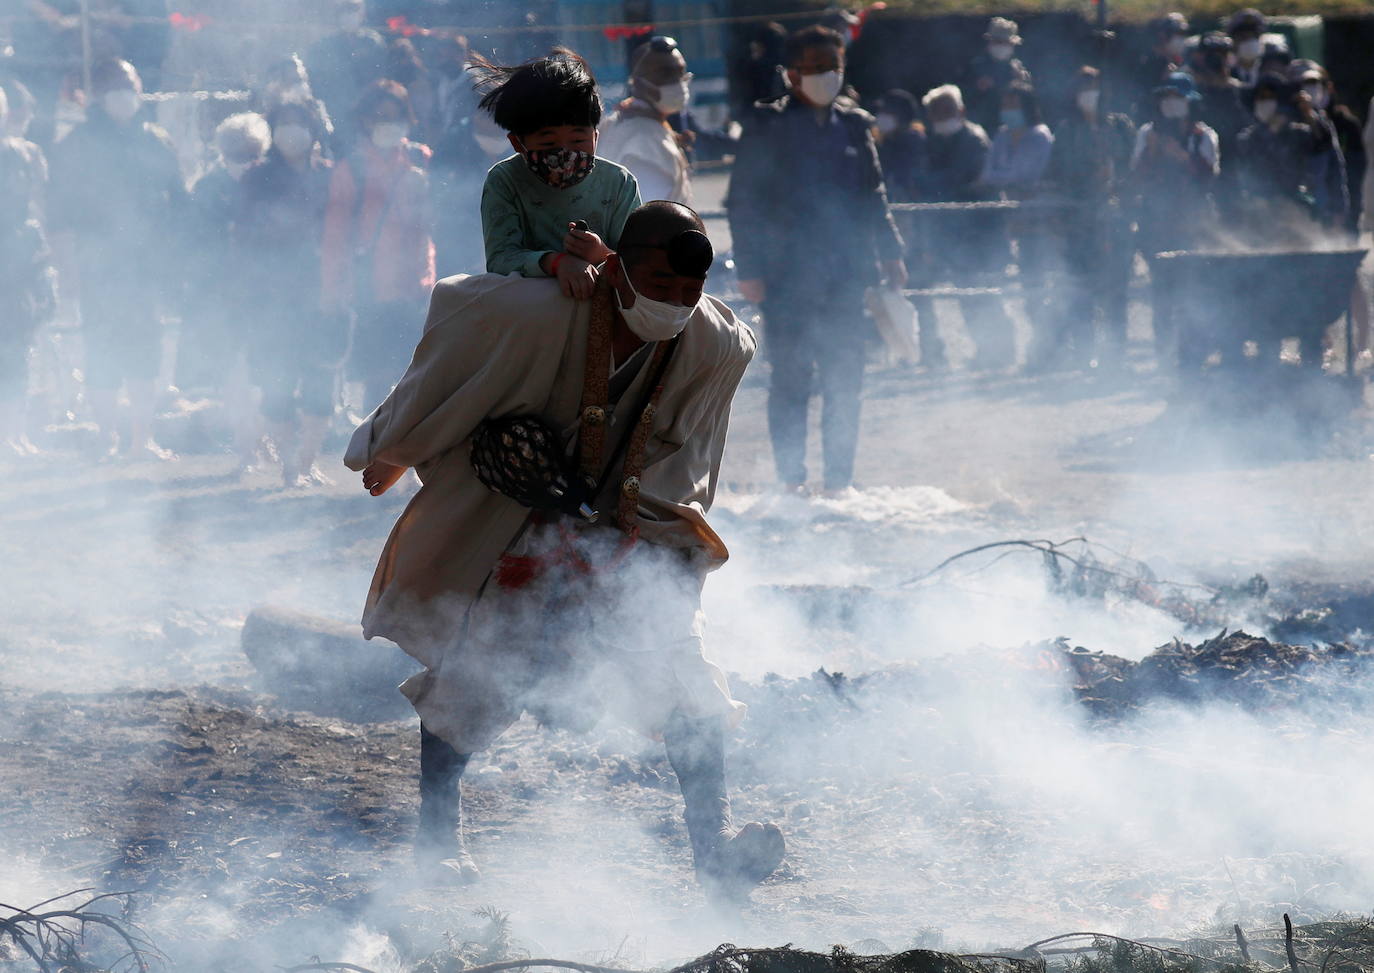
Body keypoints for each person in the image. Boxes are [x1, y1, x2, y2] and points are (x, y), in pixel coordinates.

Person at [343, 200, 784, 900]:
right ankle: (436, 842)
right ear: (615, 267)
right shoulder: (539, 314)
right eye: (658, 284)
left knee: (688, 689)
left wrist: (647, 542)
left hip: (631, 533)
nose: (673, 303)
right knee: (472, 676)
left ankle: (716, 857)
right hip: (519, 521)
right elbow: (452, 337)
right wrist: (394, 446)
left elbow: (691, 452)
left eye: (688, 292)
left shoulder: (715, 345)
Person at [728, 24, 905, 492]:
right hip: (786, 277)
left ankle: (839, 481)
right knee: (791, 381)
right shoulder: (766, 126)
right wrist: (749, 269)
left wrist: (891, 252)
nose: (826, 76)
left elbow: (874, 194)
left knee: (846, 379)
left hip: (846, 274)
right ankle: (791, 482)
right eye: (815, 68)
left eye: (834, 66)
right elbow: (742, 201)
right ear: (791, 74)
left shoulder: (853, 124)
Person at [47, 58, 186, 459]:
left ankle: (142, 439)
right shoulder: (76, 143)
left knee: (146, 350)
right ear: (99, 95)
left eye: (130, 84)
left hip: (146, 266)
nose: (123, 94)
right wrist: (68, 267)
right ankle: (107, 438)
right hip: (98, 265)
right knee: (102, 352)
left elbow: (177, 203)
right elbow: (59, 213)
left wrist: (175, 261)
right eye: (115, 86)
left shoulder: (155, 139)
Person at [471, 48, 641, 300]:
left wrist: (602, 255)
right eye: (549, 144)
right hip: (531, 315)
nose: (565, 154)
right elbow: (501, 259)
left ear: (595, 136)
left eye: (578, 140)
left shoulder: (618, 182)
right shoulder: (505, 180)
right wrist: (557, 263)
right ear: (518, 144)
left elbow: (638, 263)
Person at [240, 98, 343, 486]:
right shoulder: (257, 177)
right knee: (276, 383)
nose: (291, 131)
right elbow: (246, 236)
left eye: (299, 123)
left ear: (314, 130)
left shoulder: (331, 176)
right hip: (272, 297)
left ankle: (306, 461)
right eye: (283, 123)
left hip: (323, 294)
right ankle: (288, 465)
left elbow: (343, 233)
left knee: (321, 383)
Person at [321, 79, 435, 414]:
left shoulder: (421, 161)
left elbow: (431, 227)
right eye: (379, 116)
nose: (387, 123)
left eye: (394, 115)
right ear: (365, 121)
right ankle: (378, 454)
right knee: (377, 377)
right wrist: (332, 294)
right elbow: (335, 237)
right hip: (369, 286)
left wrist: (428, 283)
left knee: (415, 376)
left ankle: (409, 458)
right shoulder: (351, 169)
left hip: (415, 285)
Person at [180, 112, 270, 462]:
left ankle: (260, 436)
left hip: (263, 291)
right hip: (222, 294)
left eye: (252, 154)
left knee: (264, 370)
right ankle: (244, 440)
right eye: (237, 154)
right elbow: (196, 244)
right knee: (234, 372)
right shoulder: (207, 188)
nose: (245, 162)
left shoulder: (266, 185)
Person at [1047, 67, 1136, 371]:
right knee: (1081, 292)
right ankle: (1084, 353)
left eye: (1094, 87)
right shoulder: (1067, 130)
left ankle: (1117, 357)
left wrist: (1114, 176)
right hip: (1080, 222)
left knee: (1116, 292)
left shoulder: (1120, 126)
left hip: (1116, 221)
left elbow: (1132, 169)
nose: (1089, 94)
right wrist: (1087, 176)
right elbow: (1057, 173)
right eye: (1083, 87)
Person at [1129, 73, 1219, 367]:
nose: (1171, 105)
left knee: (1196, 291)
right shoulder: (1147, 133)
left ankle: (1197, 352)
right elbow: (1137, 176)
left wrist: (1181, 157)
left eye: (1177, 98)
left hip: (1194, 224)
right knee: (1163, 292)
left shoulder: (1203, 135)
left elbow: (1209, 178)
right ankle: (1164, 354)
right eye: (1166, 98)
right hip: (1157, 224)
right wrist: (1154, 151)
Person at [982, 81, 1054, 372]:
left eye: (1014, 105)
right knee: (1027, 288)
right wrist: (1008, 179)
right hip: (1013, 222)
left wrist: (1006, 178)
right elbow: (991, 173)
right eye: (1005, 105)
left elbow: (1027, 173)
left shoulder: (1039, 137)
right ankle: (1038, 350)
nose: (1008, 111)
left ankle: (1047, 349)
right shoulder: (1002, 136)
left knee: (1041, 288)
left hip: (1041, 224)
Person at [1, 85, 57, 456]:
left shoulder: (25, 154)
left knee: (19, 352)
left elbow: (41, 206)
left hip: (20, 263)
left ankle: (14, 432)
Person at [598, 36, 694, 206]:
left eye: (680, 72)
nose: (678, 82)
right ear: (639, 82)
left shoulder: (625, 121)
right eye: (665, 73)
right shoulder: (644, 142)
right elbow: (650, 215)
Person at [1233, 73, 1325, 245]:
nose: (1265, 103)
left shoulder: (1300, 133)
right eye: (1261, 98)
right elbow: (1246, 174)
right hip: (1261, 213)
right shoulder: (1247, 138)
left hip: (1296, 209)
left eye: (1270, 98)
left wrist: (1309, 115)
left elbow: (1322, 147)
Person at [306, 0, 387, 151]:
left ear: (362, 13)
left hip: (369, 109)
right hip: (338, 110)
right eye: (344, 10)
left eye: (353, 9)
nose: (348, 14)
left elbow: (382, 76)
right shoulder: (327, 45)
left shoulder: (372, 42)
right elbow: (321, 80)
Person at [1190, 32, 1249, 223]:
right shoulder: (1193, 87)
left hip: (1230, 157)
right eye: (1211, 54)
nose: (1216, 59)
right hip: (1201, 155)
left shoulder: (1237, 88)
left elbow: (1244, 123)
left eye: (1221, 54)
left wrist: (1226, 85)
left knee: (1233, 207)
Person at [960, 18, 1032, 137]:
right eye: (997, 41)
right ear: (990, 42)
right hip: (984, 126)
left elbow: (1031, 102)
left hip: (1013, 128)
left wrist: (1022, 84)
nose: (1001, 46)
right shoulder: (975, 68)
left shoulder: (1018, 69)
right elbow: (964, 99)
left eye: (1005, 42)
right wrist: (977, 89)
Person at [873, 89, 925, 205]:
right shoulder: (881, 143)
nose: (881, 115)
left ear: (902, 116)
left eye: (887, 112)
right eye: (881, 111)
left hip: (913, 209)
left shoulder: (915, 144)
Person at [1131, 13, 1188, 117]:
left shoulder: (1175, 63)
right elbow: (1143, 96)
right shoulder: (1149, 62)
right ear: (1163, 35)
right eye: (1178, 34)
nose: (1181, 40)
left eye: (1183, 35)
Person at [1228, 9, 1266, 87]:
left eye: (1253, 37)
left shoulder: (1270, 72)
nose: (1249, 42)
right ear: (1234, 42)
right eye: (1243, 38)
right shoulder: (1226, 73)